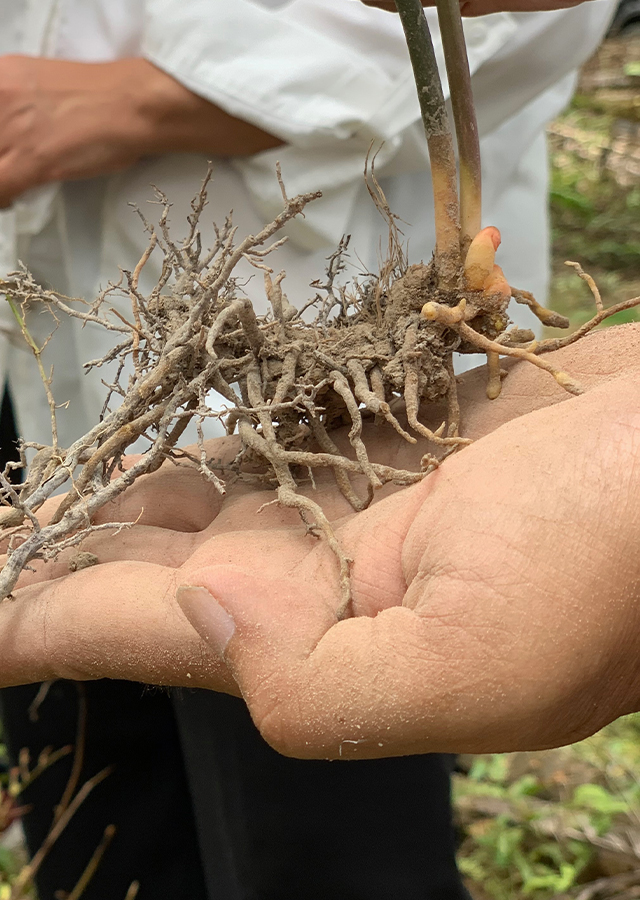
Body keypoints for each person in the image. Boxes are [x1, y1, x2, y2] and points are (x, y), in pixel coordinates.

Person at [0, 0, 621, 897]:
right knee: (101, 812)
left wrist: (153, 96)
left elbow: (538, 19)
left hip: (362, 446)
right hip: (69, 358)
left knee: (316, 841)